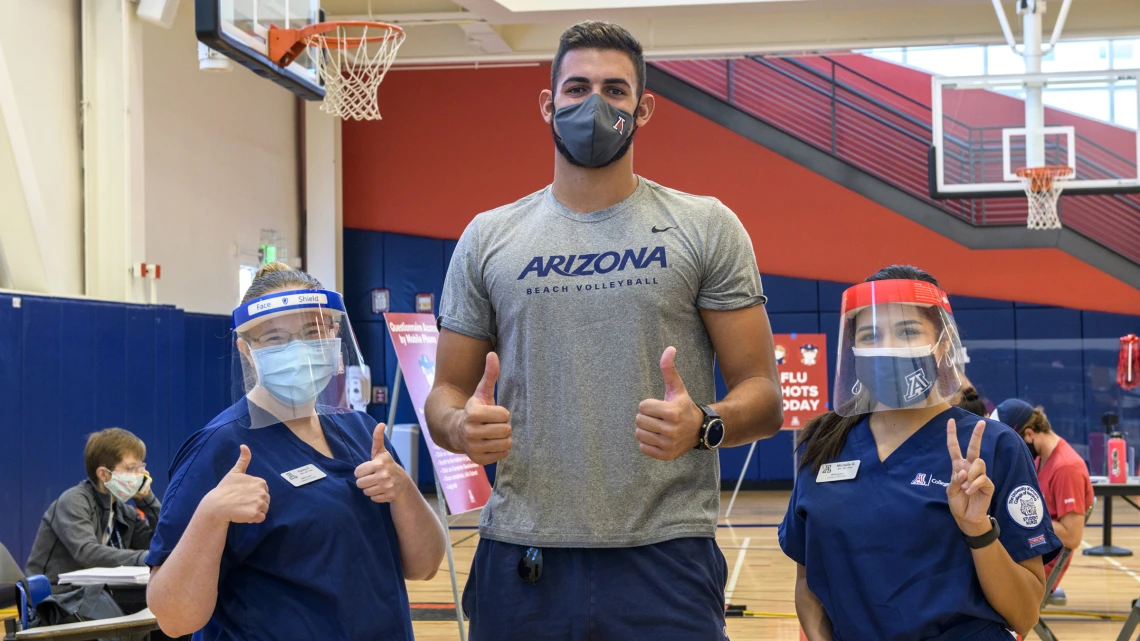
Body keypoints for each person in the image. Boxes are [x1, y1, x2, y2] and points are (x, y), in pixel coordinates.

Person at [426, 20, 784, 640]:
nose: (595, 104)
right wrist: (460, 426)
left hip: (666, 555)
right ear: (548, 104)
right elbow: (444, 398)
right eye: (577, 88)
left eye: (615, 91)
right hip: (523, 556)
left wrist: (706, 424)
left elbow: (764, 393)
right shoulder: (489, 237)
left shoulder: (704, 227)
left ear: (644, 108)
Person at [145, 263, 447, 640]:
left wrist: (404, 491)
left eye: (311, 332)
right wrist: (210, 515)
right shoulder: (220, 449)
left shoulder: (362, 432)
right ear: (247, 350)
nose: (299, 350)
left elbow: (425, 565)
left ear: (334, 335)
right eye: (274, 338)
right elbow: (174, 618)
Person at [779, 265, 1062, 641]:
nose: (888, 347)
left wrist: (978, 530)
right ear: (854, 350)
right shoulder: (823, 445)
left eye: (908, 331)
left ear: (942, 343)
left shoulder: (994, 446)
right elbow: (808, 583)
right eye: (871, 334)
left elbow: (1025, 614)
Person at [26, 428, 160, 584]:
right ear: (103, 474)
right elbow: (87, 553)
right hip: (53, 597)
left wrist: (147, 501)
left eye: (140, 467)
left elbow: (163, 544)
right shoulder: (73, 501)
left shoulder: (124, 512)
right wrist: (146, 558)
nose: (140, 475)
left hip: (94, 596)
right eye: (130, 468)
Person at [994, 398, 1093, 589]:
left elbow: (1073, 536)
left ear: (1029, 434)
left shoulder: (1066, 468)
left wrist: (1020, 517)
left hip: (1039, 566)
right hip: (1029, 552)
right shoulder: (1042, 459)